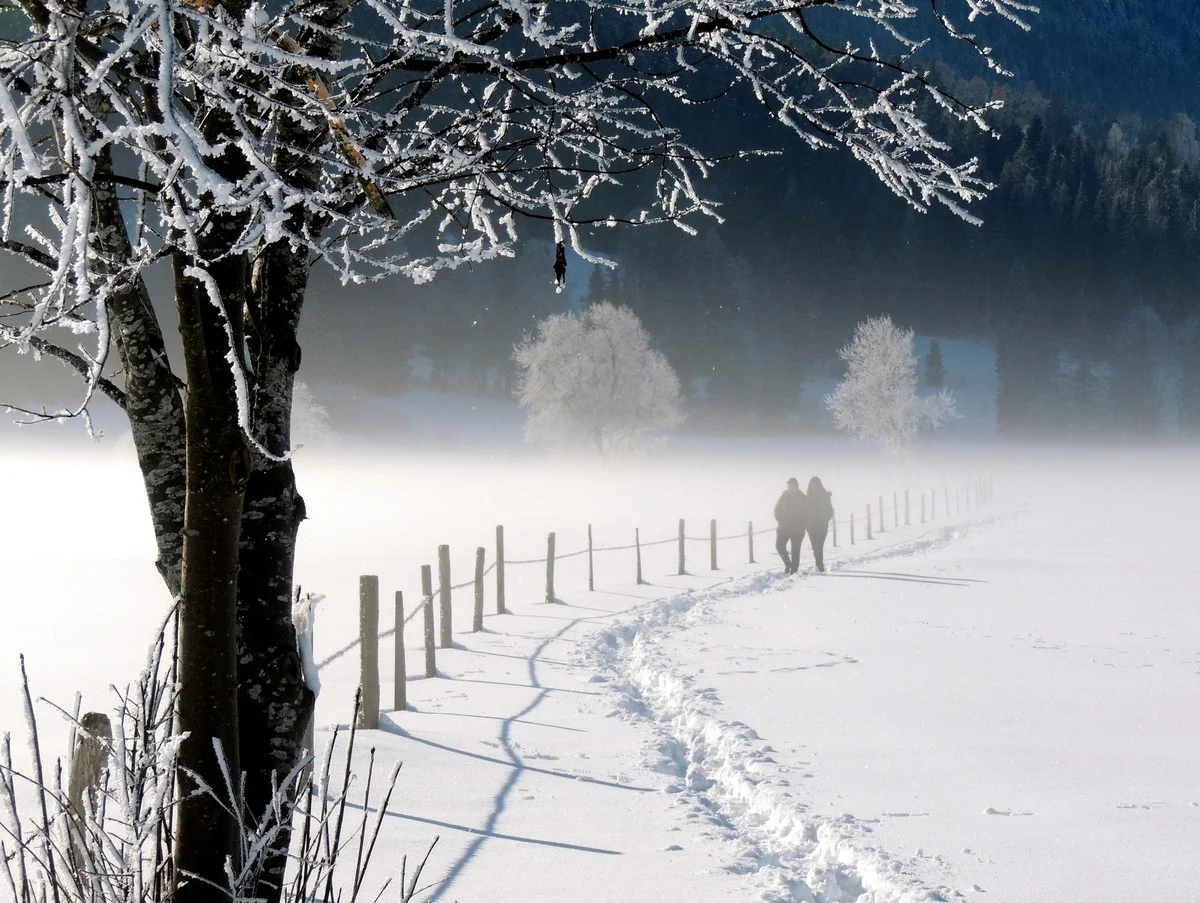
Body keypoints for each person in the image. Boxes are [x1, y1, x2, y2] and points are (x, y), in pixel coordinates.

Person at [773, 477, 807, 574]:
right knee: (779, 546)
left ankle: (794, 571)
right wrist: (780, 520)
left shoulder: (803, 498)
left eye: (792, 486)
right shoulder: (783, 496)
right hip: (783, 528)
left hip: (797, 529)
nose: (790, 488)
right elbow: (776, 509)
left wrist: (801, 523)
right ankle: (788, 564)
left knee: (795, 550)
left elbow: (807, 514)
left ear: (797, 487)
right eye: (789, 486)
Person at [805, 476, 834, 573]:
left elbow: (830, 510)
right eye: (812, 485)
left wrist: (825, 518)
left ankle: (820, 566)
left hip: (822, 525)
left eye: (816, 485)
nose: (814, 487)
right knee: (815, 546)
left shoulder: (824, 496)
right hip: (810, 526)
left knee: (819, 545)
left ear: (819, 485)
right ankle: (818, 564)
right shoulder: (807, 497)